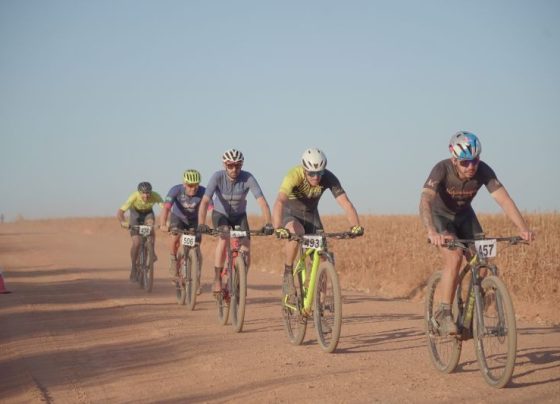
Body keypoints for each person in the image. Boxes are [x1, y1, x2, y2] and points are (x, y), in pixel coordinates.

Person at [419, 131, 534, 335]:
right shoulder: (441, 169)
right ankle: (444, 313)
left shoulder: (484, 171)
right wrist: (430, 230)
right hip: (441, 218)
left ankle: (468, 317)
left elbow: (504, 200)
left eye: (474, 161)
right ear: (454, 160)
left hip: (465, 217)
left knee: (482, 261)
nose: (471, 167)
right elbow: (425, 200)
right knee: (454, 258)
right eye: (464, 163)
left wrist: (522, 228)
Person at [272, 148, 364, 297]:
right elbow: (280, 201)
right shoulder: (294, 174)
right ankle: (288, 272)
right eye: (311, 173)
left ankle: (319, 302)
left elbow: (345, 203)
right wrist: (278, 227)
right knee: (296, 233)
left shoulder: (328, 177)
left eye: (319, 173)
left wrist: (355, 226)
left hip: (311, 216)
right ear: (304, 169)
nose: (316, 177)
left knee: (323, 256)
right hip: (291, 215)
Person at [197, 148, 274, 294]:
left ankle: (241, 278)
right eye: (230, 165)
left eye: (237, 165)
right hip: (220, 214)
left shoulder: (248, 178)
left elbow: (262, 202)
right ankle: (217, 279)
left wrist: (268, 223)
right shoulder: (217, 177)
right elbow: (205, 201)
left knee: (246, 246)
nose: (234, 169)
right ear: (224, 165)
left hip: (239, 215)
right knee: (224, 238)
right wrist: (201, 223)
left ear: (242, 165)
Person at [159, 169, 210, 293]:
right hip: (178, 218)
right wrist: (162, 224)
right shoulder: (175, 190)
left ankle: (196, 279)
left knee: (196, 248)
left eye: (196, 185)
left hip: (195, 220)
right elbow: (166, 208)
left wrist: (211, 225)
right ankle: (173, 259)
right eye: (190, 185)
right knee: (175, 237)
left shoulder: (204, 191)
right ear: (184, 184)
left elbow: (211, 208)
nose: (193, 188)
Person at [117, 181, 163, 280]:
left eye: (148, 193)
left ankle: (152, 251)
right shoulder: (133, 196)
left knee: (150, 226)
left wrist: (166, 221)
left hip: (148, 214)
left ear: (151, 192)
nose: (146, 196)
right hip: (135, 215)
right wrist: (122, 222)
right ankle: (134, 266)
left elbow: (165, 209)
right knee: (137, 243)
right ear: (139, 192)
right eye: (143, 193)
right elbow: (120, 211)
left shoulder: (156, 196)